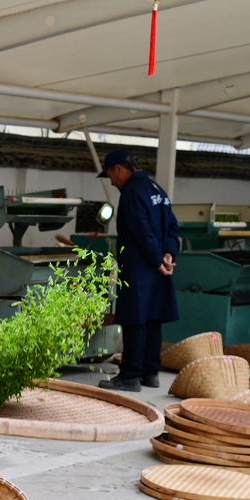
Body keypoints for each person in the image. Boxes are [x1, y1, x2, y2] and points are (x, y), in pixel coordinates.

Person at [96, 149, 179, 392]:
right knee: (153, 320)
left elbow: (140, 231)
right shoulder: (157, 191)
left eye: (110, 175)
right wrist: (168, 255)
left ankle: (130, 376)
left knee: (135, 321)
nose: (111, 181)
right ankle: (150, 373)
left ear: (119, 169)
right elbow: (173, 227)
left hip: (139, 267)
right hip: (157, 268)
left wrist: (156, 260)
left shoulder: (132, 192)